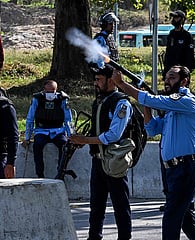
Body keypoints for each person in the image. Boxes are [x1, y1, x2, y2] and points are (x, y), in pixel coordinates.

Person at [111, 65, 195, 240]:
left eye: (172, 77)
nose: (166, 81)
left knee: (171, 217)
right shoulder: (173, 107)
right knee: (186, 220)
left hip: (185, 167)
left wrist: (122, 84)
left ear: (184, 81)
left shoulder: (186, 100)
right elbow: (152, 128)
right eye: (166, 77)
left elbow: (151, 99)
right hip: (172, 170)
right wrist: (146, 105)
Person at [70, 65, 133, 240]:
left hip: (114, 160)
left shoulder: (122, 102)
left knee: (121, 205)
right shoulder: (98, 101)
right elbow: (97, 128)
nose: (95, 83)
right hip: (97, 160)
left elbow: (114, 135)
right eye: (95, 79)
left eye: (99, 80)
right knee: (96, 205)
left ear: (111, 81)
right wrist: (82, 141)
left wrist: (86, 141)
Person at [22, 80, 72, 178]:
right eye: (48, 91)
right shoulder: (37, 99)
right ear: (44, 90)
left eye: (52, 91)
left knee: (64, 146)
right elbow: (30, 118)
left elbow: (68, 119)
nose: (50, 94)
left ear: (56, 90)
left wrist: (71, 135)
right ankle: (40, 175)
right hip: (41, 131)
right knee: (37, 146)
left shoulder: (62, 99)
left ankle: (60, 172)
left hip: (58, 131)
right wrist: (27, 137)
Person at [163, 10, 195, 76]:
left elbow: (190, 53)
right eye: (173, 17)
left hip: (182, 69)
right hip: (170, 68)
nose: (174, 19)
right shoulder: (171, 34)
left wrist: (189, 68)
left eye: (176, 17)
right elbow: (168, 51)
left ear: (182, 19)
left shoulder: (187, 35)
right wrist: (166, 68)